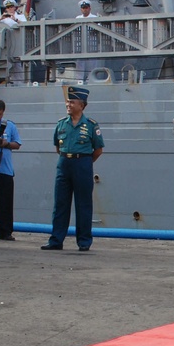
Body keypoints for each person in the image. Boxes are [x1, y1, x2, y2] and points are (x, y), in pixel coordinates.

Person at [41, 86, 104, 252]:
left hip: (82, 164)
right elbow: (57, 146)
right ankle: (56, 240)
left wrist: (84, 162)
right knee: (60, 203)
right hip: (64, 163)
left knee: (83, 204)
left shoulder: (91, 125)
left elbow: (98, 150)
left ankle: (84, 241)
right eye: (68, 101)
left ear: (81, 105)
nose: (68, 104)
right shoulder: (61, 124)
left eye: (72, 102)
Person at [0, 99, 21, 240]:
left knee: (6, 202)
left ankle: (5, 231)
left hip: (4, 169)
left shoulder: (10, 126)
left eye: (0, 115)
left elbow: (17, 144)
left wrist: (5, 143)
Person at [0, 0, 26, 83]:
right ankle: (7, 81)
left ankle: (19, 82)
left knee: (16, 63)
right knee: (4, 63)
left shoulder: (20, 16)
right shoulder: (3, 18)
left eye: (11, 7)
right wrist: (1, 18)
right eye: (8, 7)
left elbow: (26, 25)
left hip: (17, 42)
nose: (10, 9)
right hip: (5, 43)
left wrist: (15, 19)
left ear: (15, 7)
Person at [74, 0, 100, 83]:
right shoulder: (78, 18)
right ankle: (79, 81)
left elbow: (99, 29)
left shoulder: (95, 18)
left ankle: (90, 80)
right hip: (80, 45)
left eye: (86, 7)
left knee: (92, 65)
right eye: (83, 8)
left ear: (89, 8)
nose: (85, 9)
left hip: (92, 44)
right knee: (80, 64)